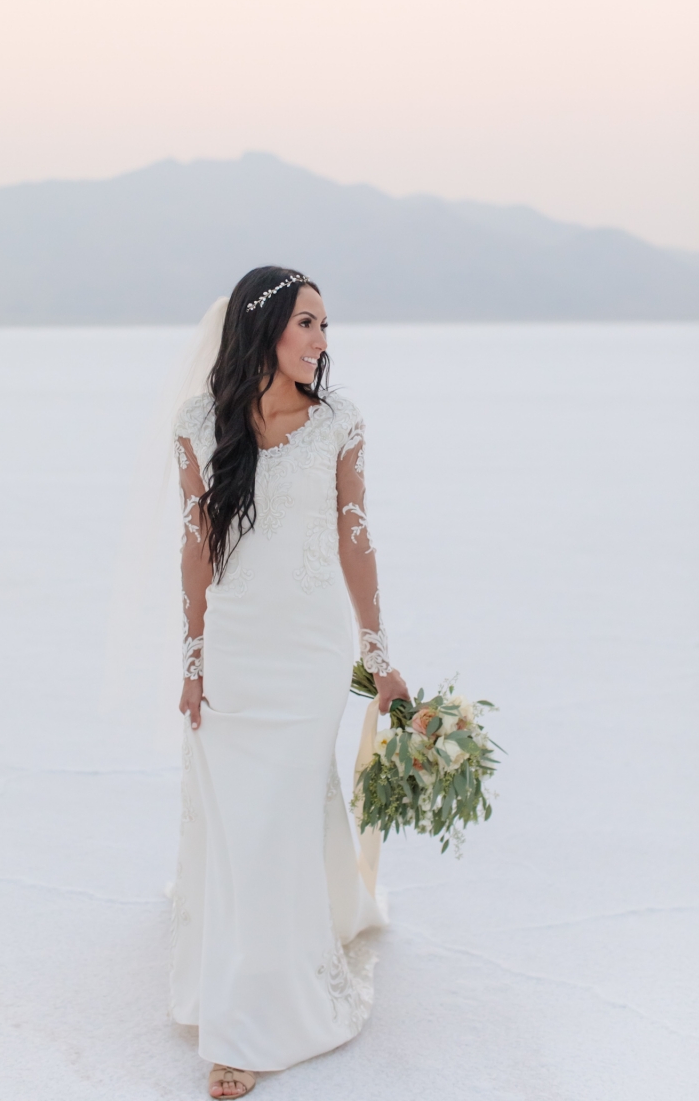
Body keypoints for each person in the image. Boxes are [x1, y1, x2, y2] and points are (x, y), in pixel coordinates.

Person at [170, 266, 409, 1097]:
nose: (321, 341)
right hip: (234, 653)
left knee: (276, 820)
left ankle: (249, 1031)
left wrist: (377, 656)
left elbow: (356, 540)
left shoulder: (339, 421)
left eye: (325, 326)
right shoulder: (199, 424)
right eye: (306, 323)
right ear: (262, 329)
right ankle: (247, 972)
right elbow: (197, 551)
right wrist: (195, 659)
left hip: (308, 655)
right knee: (245, 827)